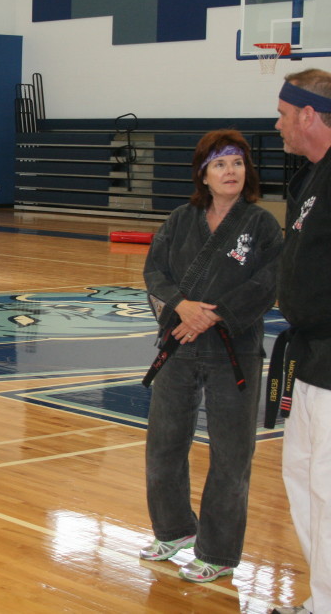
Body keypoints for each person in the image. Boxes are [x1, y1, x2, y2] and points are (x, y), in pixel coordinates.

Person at [139, 129, 282, 583]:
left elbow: (268, 282)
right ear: (203, 173)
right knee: (164, 442)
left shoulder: (261, 226)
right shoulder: (181, 219)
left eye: (237, 163)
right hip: (179, 342)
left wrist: (214, 315)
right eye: (220, 164)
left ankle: (218, 553)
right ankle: (174, 529)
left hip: (232, 348)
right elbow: (153, 271)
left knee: (230, 454)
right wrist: (181, 305)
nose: (230, 172)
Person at [267, 68, 331, 614]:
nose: (278, 124)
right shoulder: (311, 177)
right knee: (303, 480)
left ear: (309, 114)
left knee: (328, 486)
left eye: (284, 115)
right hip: (310, 357)